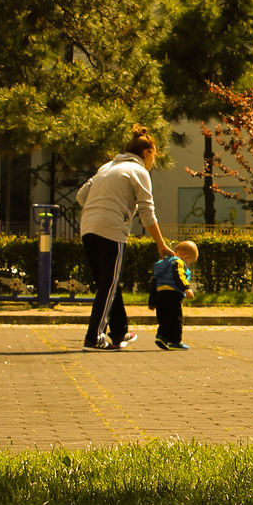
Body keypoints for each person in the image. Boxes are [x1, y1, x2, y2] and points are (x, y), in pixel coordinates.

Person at [76, 126, 174, 350]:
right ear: (147, 153)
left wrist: (101, 206)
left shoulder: (106, 167)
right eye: (154, 156)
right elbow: (147, 212)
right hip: (111, 230)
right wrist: (161, 244)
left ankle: (119, 332)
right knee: (108, 284)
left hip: (88, 226)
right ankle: (94, 337)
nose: (153, 162)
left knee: (108, 282)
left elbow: (81, 195)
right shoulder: (138, 171)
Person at [150, 240, 199, 351]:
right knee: (176, 319)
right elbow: (179, 276)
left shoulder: (164, 263)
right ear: (186, 257)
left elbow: (154, 281)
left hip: (160, 293)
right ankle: (175, 341)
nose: (189, 265)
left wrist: (152, 301)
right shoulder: (179, 263)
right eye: (190, 262)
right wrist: (186, 288)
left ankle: (161, 336)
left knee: (164, 317)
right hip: (173, 294)